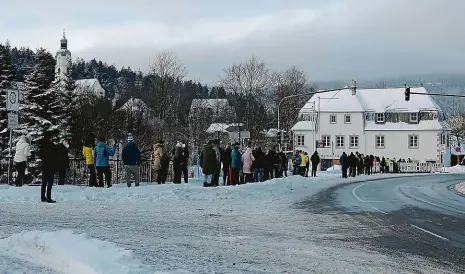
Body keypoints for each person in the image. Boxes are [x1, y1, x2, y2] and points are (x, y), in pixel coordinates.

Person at [39, 132, 56, 203]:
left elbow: (40, 155)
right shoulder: (52, 145)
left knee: (44, 182)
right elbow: (55, 156)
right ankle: (48, 197)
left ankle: (43, 197)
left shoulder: (42, 145)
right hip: (51, 165)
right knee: (50, 182)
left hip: (44, 165)